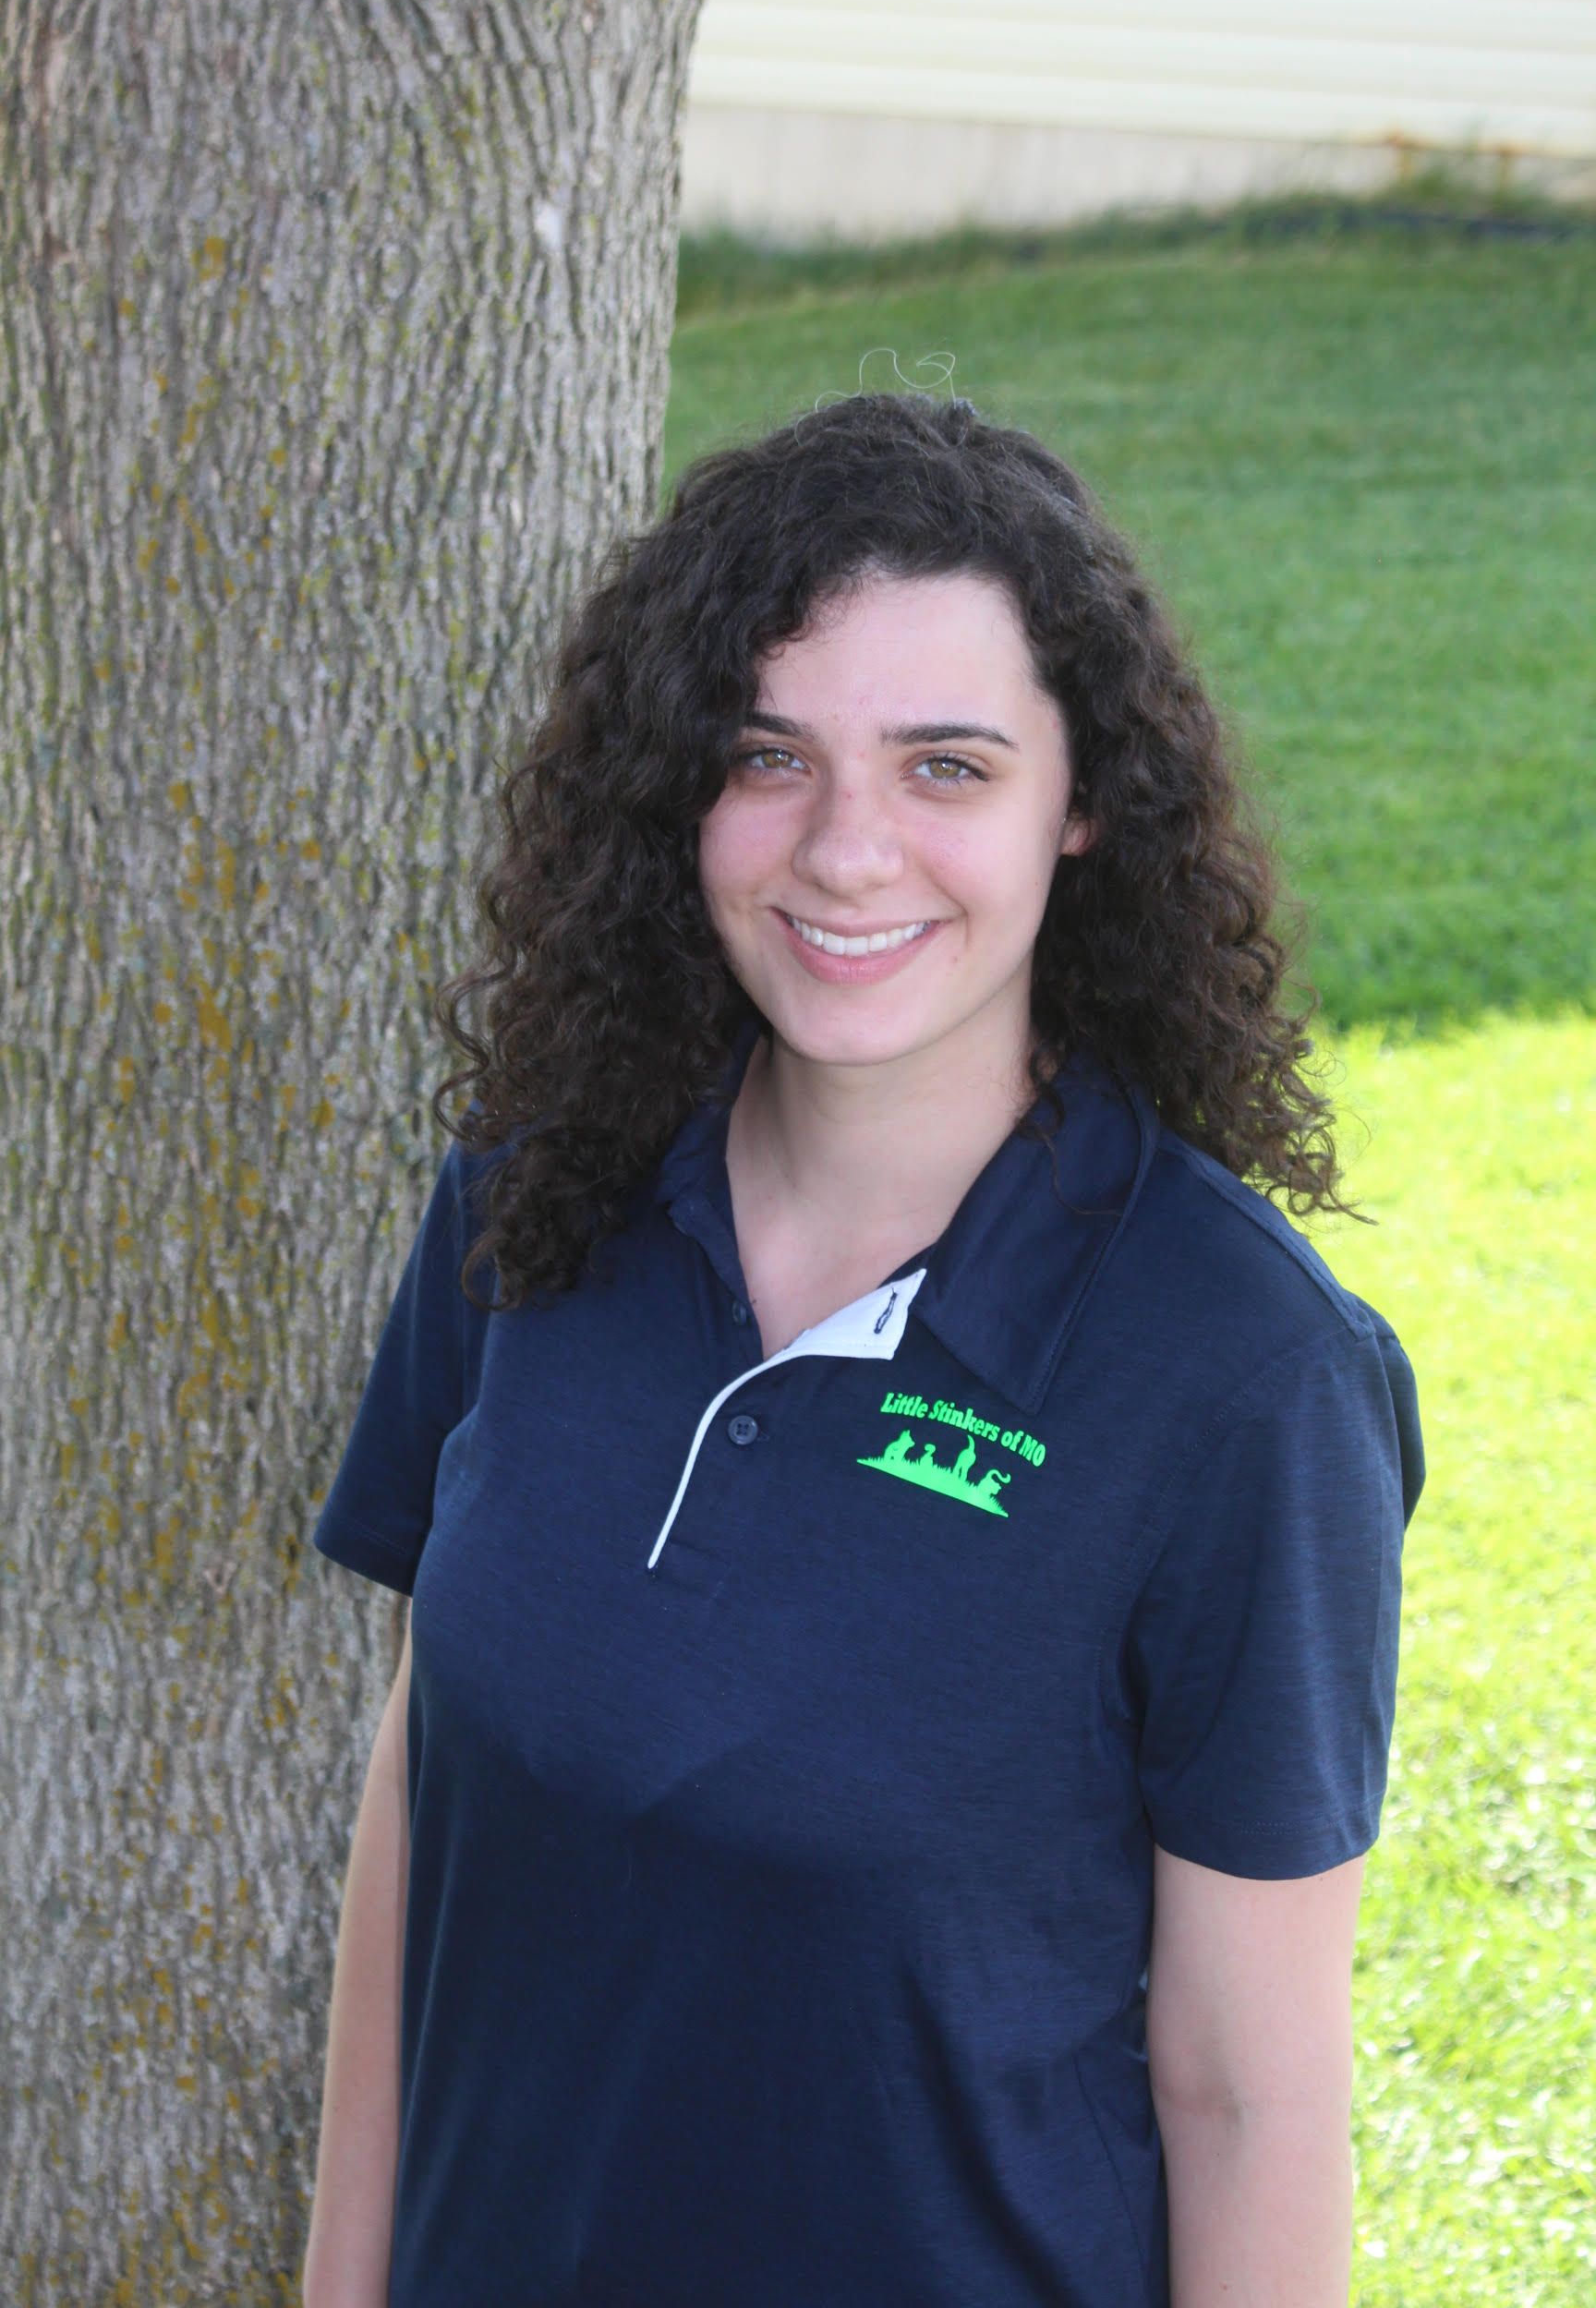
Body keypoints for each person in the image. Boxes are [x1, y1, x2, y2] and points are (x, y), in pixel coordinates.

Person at [301, 392, 1425, 2308]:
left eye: (948, 767)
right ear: (683, 786)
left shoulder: (1241, 1377)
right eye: (771, 757)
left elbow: (1250, 2098)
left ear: (1084, 805)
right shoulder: (533, 1204)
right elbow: (428, 1822)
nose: (845, 852)